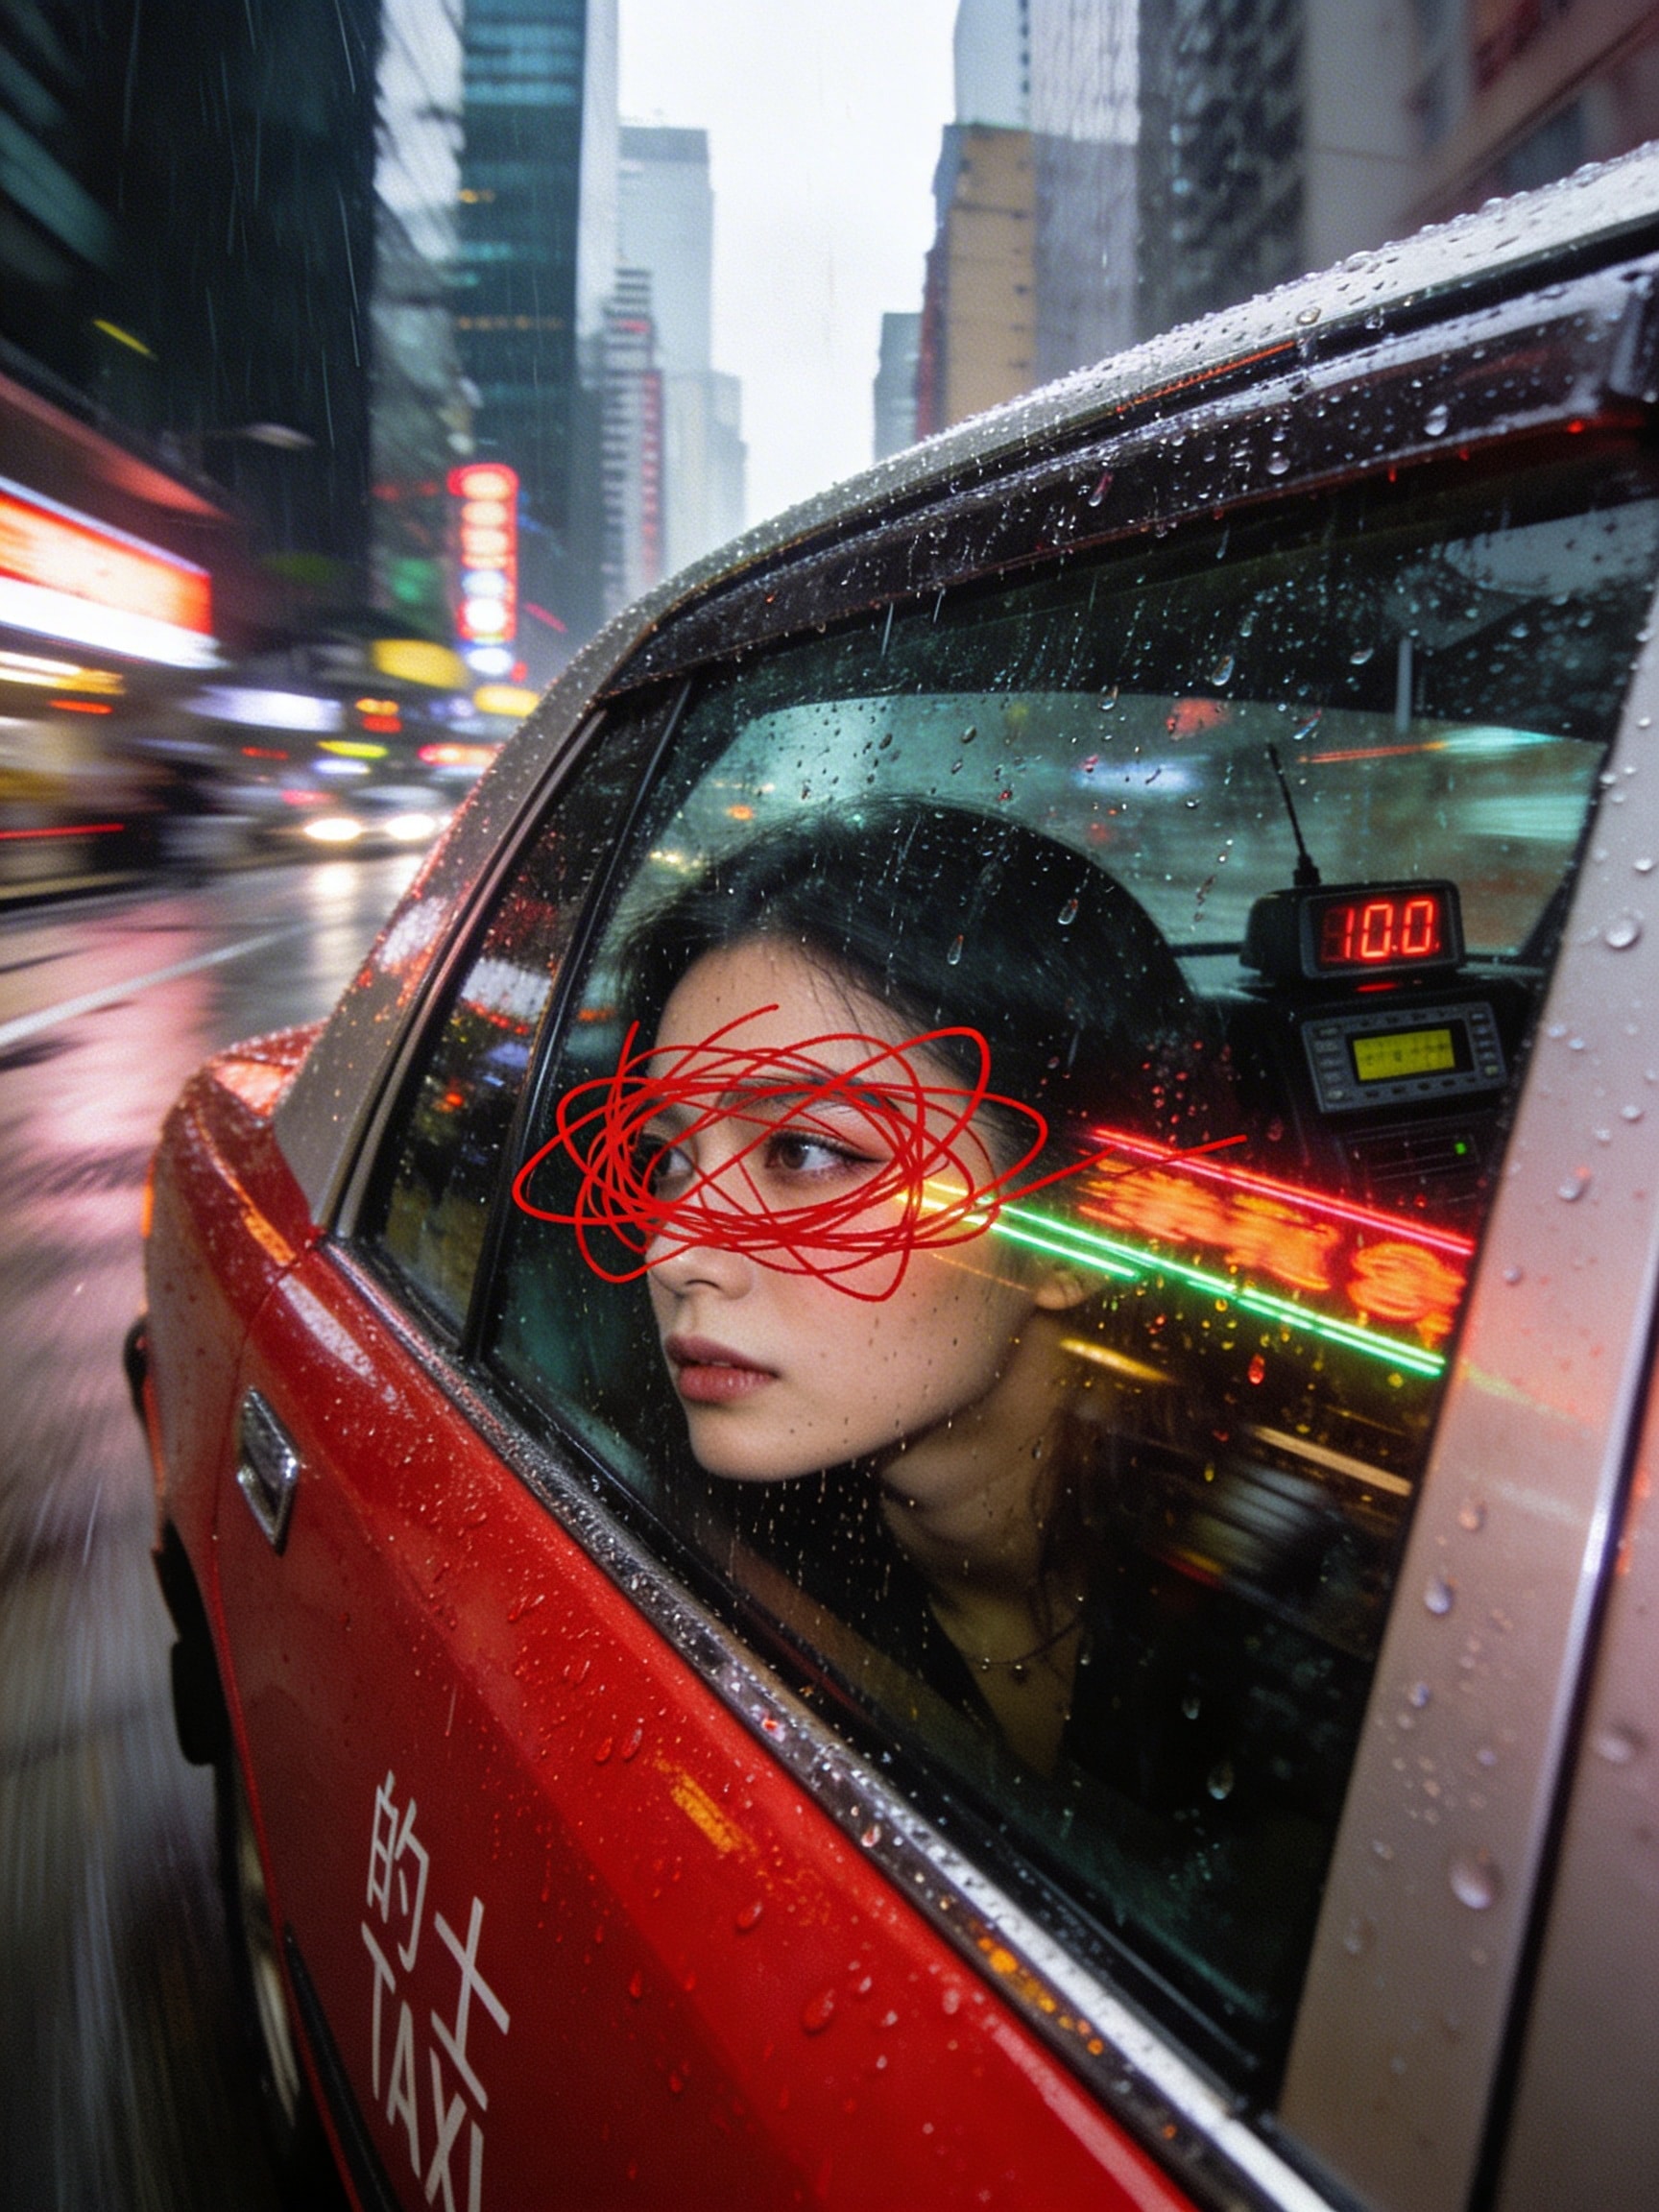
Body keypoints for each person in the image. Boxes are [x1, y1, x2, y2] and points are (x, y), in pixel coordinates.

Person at [522, 799, 1233, 1773]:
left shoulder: (1300, 1622)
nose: (675, 1251)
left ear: (1081, 1233)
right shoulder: (699, 1568)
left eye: (806, 1151)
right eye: (667, 1161)